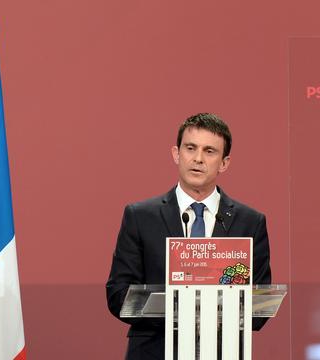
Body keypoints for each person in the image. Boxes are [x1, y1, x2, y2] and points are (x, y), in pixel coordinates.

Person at [106, 113, 272, 360]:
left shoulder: (250, 222)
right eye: (190, 148)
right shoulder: (140, 216)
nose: (198, 159)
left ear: (224, 163)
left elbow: (260, 305)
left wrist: (211, 315)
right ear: (176, 154)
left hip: (221, 352)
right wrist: (177, 309)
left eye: (209, 151)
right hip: (154, 350)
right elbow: (118, 294)